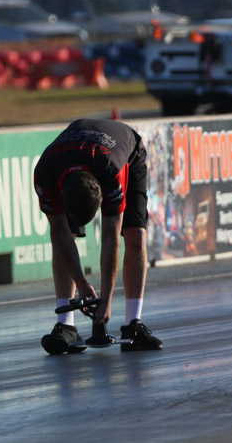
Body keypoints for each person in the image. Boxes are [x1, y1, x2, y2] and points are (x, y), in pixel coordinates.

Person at [33, 118, 164, 354]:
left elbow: (111, 238)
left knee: (135, 235)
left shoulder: (112, 172)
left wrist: (107, 299)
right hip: (73, 155)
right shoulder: (45, 173)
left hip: (124, 151)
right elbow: (60, 232)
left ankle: (133, 323)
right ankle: (65, 324)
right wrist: (81, 283)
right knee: (66, 235)